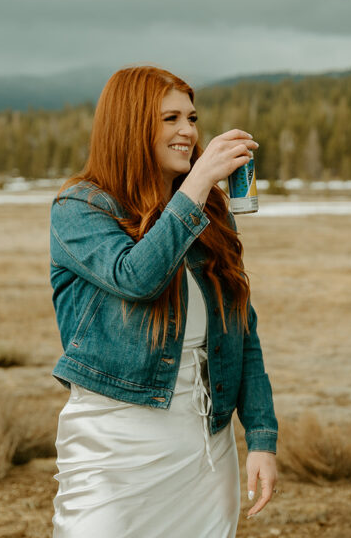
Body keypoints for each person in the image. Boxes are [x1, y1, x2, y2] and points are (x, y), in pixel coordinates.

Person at [48, 65, 278, 537]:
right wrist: (198, 186)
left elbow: (242, 332)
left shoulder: (209, 214)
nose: (189, 132)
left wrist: (261, 437)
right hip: (112, 438)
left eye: (192, 118)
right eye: (170, 119)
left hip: (205, 440)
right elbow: (136, 278)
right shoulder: (81, 207)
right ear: (130, 125)